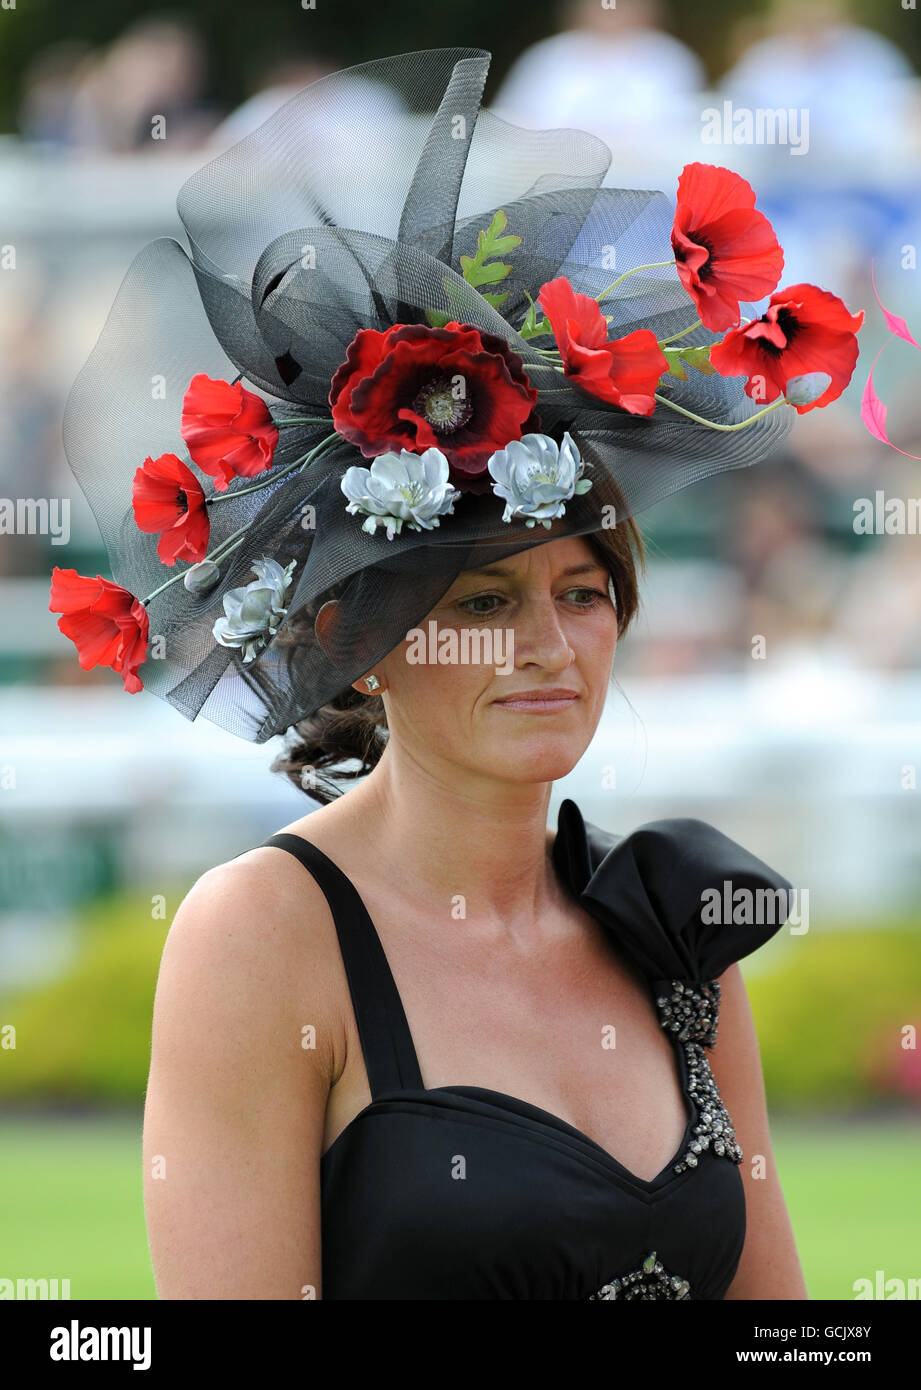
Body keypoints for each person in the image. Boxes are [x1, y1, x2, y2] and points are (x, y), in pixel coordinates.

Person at [50, 48, 861, 1299]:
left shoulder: (676, 916)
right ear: (360, 650)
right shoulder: (266, 934)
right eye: (484, 601)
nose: (549, 644)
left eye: (583, 594)